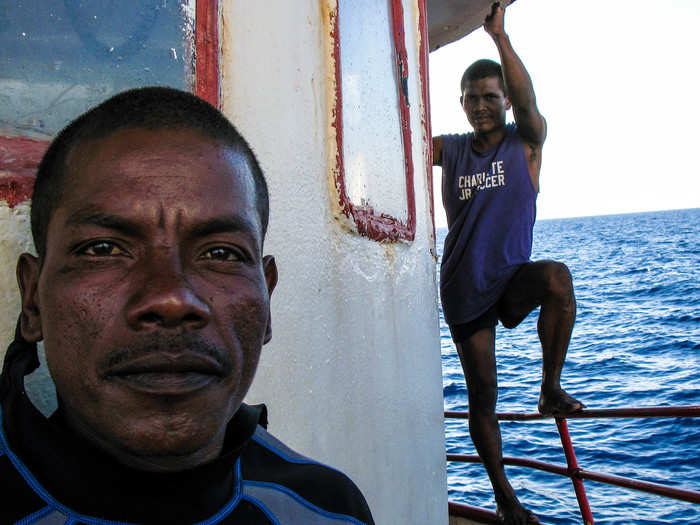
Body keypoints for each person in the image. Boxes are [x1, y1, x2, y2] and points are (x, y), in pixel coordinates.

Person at [0, 87, 374, 525]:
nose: (172, 298)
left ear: (267, 298)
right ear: (33, 301)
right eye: (103, 248)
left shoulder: (329, 511)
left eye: (222, 254)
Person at [432, 4, 583, 524]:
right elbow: (399, 137)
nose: (481, 106)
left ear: (504, 101)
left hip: (511, 279)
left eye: (490, 97)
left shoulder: (527, 143)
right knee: (483, 399)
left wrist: (499, 38)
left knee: (557, 280)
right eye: (472, 99)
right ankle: (505, 498)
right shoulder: (450, 150)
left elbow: (531, 103)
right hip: (463, 284)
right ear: (462, 103)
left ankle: (549, 387)